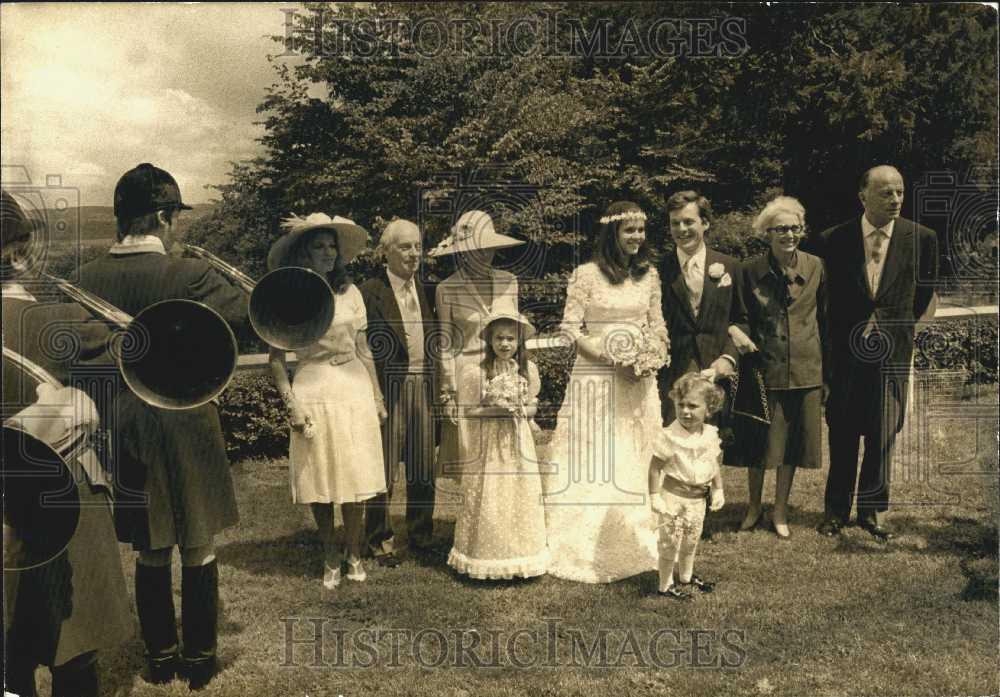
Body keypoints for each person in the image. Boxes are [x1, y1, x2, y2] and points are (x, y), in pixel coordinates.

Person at [77, 163, 247, 689]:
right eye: (174, 217)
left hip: (125, 425)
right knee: (197, 543)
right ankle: (199, 663)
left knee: (150, 548)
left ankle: (159, 659)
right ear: (163, 217)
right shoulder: (188, 274)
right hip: (189, 416)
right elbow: (249, 316)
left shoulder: (84, 279)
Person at [2, 189, 132, 697]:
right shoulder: (60, 321)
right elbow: (150, 360)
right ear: (18, 253)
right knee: (73, 648)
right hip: (67, 501)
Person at [543, 201, 670, 583]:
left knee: (636, 445)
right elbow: (569, 330)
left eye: (640, 230)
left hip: (639, 380)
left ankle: (640, 530)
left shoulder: (650, 275)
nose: (636, 238)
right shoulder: (587, 274)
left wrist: (654, 353)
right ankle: (586, 536)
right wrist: (610, 358)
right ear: (612, 234)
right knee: (597, 449)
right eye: (629, 230)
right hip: (596, 377)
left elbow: (658, 324)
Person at [809, 165, 938, 541]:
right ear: (863, 196)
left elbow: (923, 295)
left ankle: (873, 511)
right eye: (886, 193)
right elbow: (825, 300)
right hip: (846, 355)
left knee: (883, 434)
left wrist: (892, 326)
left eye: (900, 192)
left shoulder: (922, 238)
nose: (896, 200)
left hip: (892, 355)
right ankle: (835, 511)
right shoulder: (833, 240)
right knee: (843, 433)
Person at [268, 213, 387, 587]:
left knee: (354, 471)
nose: (327, 252)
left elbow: (364, 347)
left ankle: (353, 552)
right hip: (313, 387)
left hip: (352, 386)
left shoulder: (350, 292)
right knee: (319, 474)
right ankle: (329, 554)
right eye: (318, 246)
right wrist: (292, 405)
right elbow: (276, 359)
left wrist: (377, 395)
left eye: (331, 245)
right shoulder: (288, 294)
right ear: (303, 253)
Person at [727, 196, 829, 539]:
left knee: (793, 446)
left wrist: (825, 373)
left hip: (805, 368)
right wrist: (739, 336)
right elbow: (739, 317)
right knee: (758, 442)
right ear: (766, 232)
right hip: (763, 368)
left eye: (795, 227)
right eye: (781, 228)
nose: (789, 234)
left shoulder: (816, 266)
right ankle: (754, 506)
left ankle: (780, 509)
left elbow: (826, 319)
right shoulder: (748, 271)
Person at [358, 219, 439, 567]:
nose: (414, 254)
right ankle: (378, 539)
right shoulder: (369, 292)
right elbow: (361, 348)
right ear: (386, 251)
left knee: (422, 467)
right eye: (405, 247)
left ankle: (421, 535)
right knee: (384, 469)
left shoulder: (425, 289)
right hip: (388, 389)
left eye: (418, 247)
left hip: (423, 385)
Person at [448, 312, 549, 579]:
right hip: (490, 443)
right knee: (492, 492)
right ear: (490, 341)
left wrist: (520, 409)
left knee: (517, 491)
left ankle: (520, 554)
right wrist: (498, 409)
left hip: (517, 440)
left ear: (519, 342)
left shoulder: (529, 371)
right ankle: (486, 555)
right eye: (499, 338)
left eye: (510, 339)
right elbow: (469, 412)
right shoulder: (477, 373)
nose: (505, 344)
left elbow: (533, 405)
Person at [430, 210, 523, 478]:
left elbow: (516, 333)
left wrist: (521, 375)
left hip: (504, 373)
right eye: (476, 249)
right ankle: (473, 517)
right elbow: (445, 344)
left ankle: (499, 512)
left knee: (504, 451)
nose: (484, 255)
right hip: (468, 376)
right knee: (471, 454)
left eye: (489, 248)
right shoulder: (446, 289)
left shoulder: (509, 282)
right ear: (462, 251)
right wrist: (448, 393)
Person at [658, 190, 748, 424]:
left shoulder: (730, 266)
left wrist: (728, 359)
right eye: (674, 223)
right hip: (671, 372)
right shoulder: (657, 270)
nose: (681, 229)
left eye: (688, 222)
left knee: (710, 450)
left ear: (705, 223)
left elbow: (742, 319)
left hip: (715, 372)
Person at [649, 373, 726, 600]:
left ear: (708, 409)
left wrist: (718, 488)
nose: (685, 411)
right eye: (681, 405)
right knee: (669, 541)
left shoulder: (709, 434)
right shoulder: (670, 436)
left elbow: (712, 463)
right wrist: (655, 495)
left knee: (692, 538)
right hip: (673, 497)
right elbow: (655, 468)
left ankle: (686, 576)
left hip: (697, 500)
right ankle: (664, 585)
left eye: (693, 406)